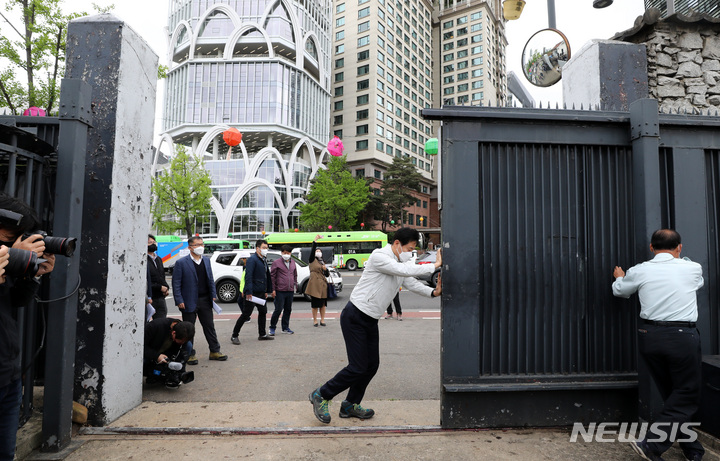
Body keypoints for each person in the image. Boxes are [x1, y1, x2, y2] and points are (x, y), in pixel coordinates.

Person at [309, 227, 442, 424]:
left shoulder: (398, 261)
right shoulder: (379, 256)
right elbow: (403, 270)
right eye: (410, 248)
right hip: (355, 316)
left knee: (371, 366)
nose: (411, 253)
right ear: (397, 243)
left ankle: (350, 405)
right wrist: (435, 265)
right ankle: (321, 394)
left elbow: (411, 282)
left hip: (370, 318)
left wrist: (433, 293)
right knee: (358, 366)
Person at [612, 229, 705, 461]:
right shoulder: (692, 268)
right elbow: (697, 282)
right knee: (686, 394)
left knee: (674, 395)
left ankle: (693, 449)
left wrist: (619, 277)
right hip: (681, 336)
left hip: (649, 335)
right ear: (680, 247)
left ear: (651, 248)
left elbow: (621, 292)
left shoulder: (640, 270)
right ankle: (651, 446)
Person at [0, 194, 55, 461]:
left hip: (8, 374)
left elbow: (14, 302)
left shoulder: (5, 260)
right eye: (17, 233)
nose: (20, 238)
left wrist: (32, 273)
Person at [172, 236, 227, 364]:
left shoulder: (206, 261)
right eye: (197, 245)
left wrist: (213, 294)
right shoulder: (181, 263)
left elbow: (210, 279)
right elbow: (176, 283)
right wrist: (179, 300)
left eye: (202, 244)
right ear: (190, 247)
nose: (200, 247)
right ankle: (189, 353)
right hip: (188, 301)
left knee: (209, 326)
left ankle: (214, 350)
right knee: (188, 329)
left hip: (205, 300)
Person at [232, 239, 274, 343]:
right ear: (257, 248)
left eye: (266, 248)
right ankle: (234, 335)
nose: (265, 250)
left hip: (260, 292)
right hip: (252, 293)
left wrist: (267, 290)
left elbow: (266, 276)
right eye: (264, 248)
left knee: (263, 312)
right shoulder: (252, 259)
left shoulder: (263, 259)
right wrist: (249, 292)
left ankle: (262, 334)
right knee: (246, 314)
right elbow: (248, 276)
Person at [143, 319, 194, 385]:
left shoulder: (184, 330)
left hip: (166, 353)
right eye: (181, 341)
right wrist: (156, 356)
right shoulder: (154, 326)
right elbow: (140, 346)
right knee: (143, 362)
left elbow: (182, 350)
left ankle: (174, 373)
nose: (183, 343)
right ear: (173, 333)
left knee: (188, 345)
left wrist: (180, 371)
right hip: (148, 352)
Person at [269, 245, 297, 335]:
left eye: (288, 253)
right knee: (278, 309)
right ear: (281, 253)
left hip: (290, 290)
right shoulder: (276, 263)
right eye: (285, 253)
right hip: (280, 290)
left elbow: (295, 275)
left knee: (288, 309)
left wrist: (295, 285)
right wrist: (273, 289)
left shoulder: (293, 263)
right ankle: (272, 327)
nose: (286, 254)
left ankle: (285, 327)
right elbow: (272, 277)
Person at [306, 235, 329, 327]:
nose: (318, 252)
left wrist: (325, 269)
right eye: (317, 251)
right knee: (315, 304)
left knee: (323, 304)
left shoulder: (322, 261)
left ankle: (322, 320)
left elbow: (327, 274)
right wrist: (315, 241)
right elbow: (312, 251)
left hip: (323, 283)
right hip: (315, 283)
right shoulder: (312, 260)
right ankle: (315, 320)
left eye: (319, 251)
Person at [229, 251, 252, 341]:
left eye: (243, 259)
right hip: (244, 290)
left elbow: (246, 280)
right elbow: (243, 280)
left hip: (246, 291)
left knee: (259, 310)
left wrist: (243, 290)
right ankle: (246, 317)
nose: (242, 261)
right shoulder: (245, 267)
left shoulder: (248, 267)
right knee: (241, 304)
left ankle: (246, 317)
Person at [147, 234, 169, 319]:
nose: (153, 244)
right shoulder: (143, 259)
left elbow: (162, 276)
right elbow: (146, 280)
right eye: (150, 242)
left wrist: (166, 288)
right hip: (149, 297)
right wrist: (159, 287)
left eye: (154, 242)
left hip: (160, 297)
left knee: (161, 321)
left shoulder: (158, 259)